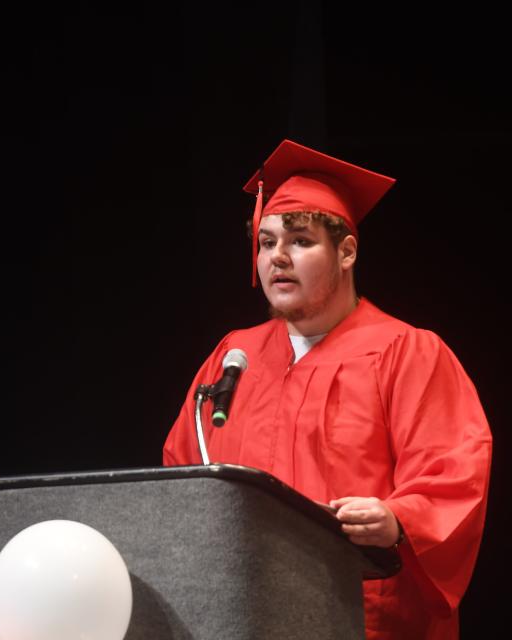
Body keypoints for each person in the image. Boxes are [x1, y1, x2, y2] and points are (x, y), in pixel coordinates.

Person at [162, 140, 492, 639]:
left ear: (347, 252)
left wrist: (398, 517)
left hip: (363, 616)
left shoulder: (407, 352)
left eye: (299, 241)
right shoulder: (235, 356)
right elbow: (181, 475)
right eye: (267, 242)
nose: (277, 258)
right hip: (246, 614)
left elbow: (454, 468)